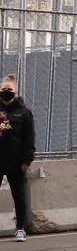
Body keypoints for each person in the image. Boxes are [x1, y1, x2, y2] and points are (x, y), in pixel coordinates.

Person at [1, 74, 36, 242]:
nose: (6, 92)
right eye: (3, 90)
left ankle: (20, 228)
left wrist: (26, 160)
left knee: (19, 196)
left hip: (15, 162)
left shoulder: (24, 113)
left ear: (15, 92)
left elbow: (29, 139)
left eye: (9, 90)